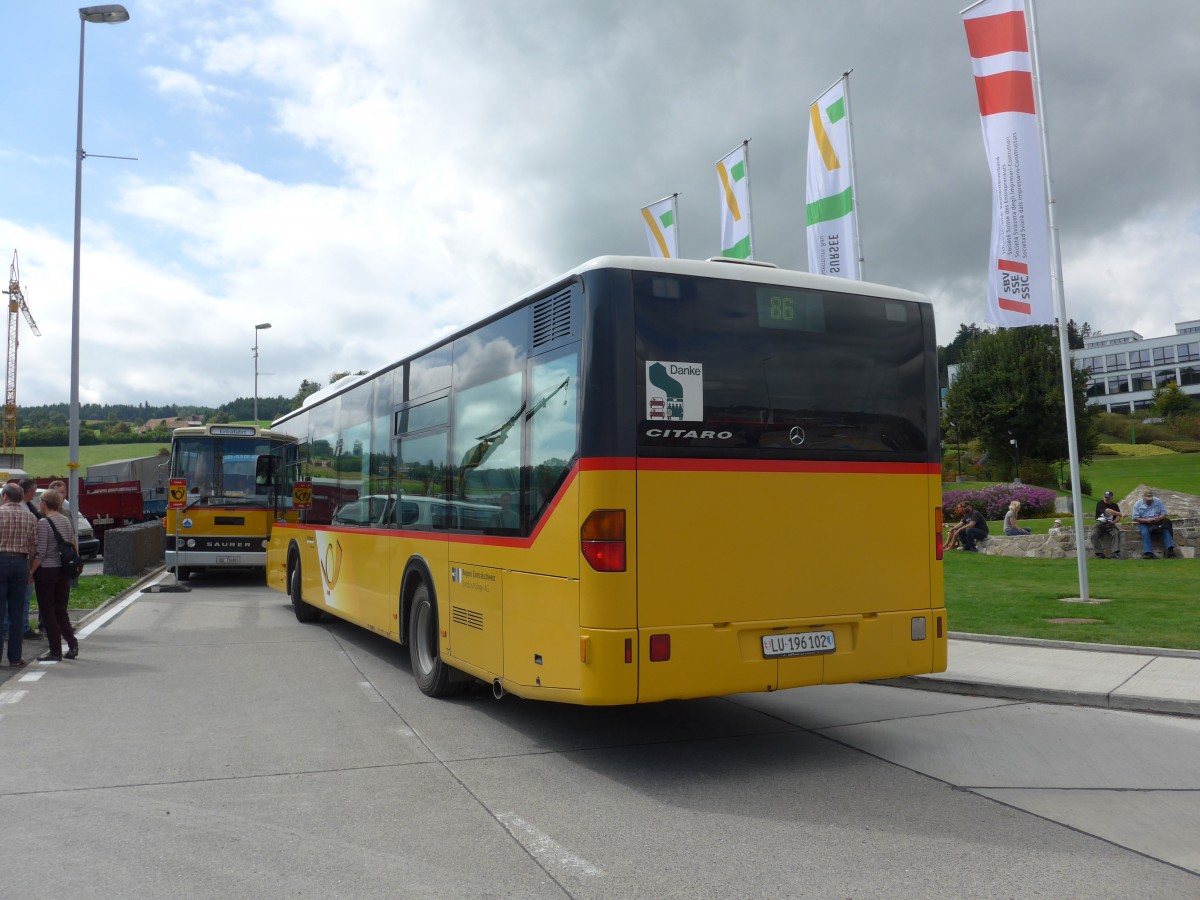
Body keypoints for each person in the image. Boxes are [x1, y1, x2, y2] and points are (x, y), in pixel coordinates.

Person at [29, 490, 79, 662]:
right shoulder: (65, 519)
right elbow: (72, 541)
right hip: (63, 570)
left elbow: (40, 552)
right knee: (61, 610)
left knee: (47, 611)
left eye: (40, 501)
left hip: (47, 571)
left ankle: (55, 650)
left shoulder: (44, 523)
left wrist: (31, 572)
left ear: (44, 502)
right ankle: (72, 644)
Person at [0, 482, 38, 669]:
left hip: (1, 561)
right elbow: (33, 546)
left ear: (5, 496)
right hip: (21, 562)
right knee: (16, 613)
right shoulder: (30, 517)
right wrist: (30, 569)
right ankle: (15, 657)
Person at [1132, 489, 1177, 559]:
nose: (1149, 501)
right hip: (1144, 522)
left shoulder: (1158, 501)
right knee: (1144, 532)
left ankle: (1170, 550)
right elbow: (1135, 518)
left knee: (1166, 529)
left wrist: (1159, 518)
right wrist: (1147, 520)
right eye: (1147, 499)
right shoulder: (1137, 504)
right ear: (1143, 497)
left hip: (1158, 521)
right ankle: (1148, 553)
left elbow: (1164, 513)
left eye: (1150, 499)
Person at [1091, 490, 1124, 559]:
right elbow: (1108, 511)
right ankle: (1099, 553)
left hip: (1110, 524)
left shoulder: (1115, 505)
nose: (1106, 499)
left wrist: (1114, 522)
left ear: (1112, 498)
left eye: (1108, 497)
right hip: (1100, 524)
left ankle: (1115, 552)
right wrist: (1120, 513)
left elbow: (1118, 517)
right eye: (1105, 497)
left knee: (1116, 533)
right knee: (1093, 534)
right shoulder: (1100, 503)